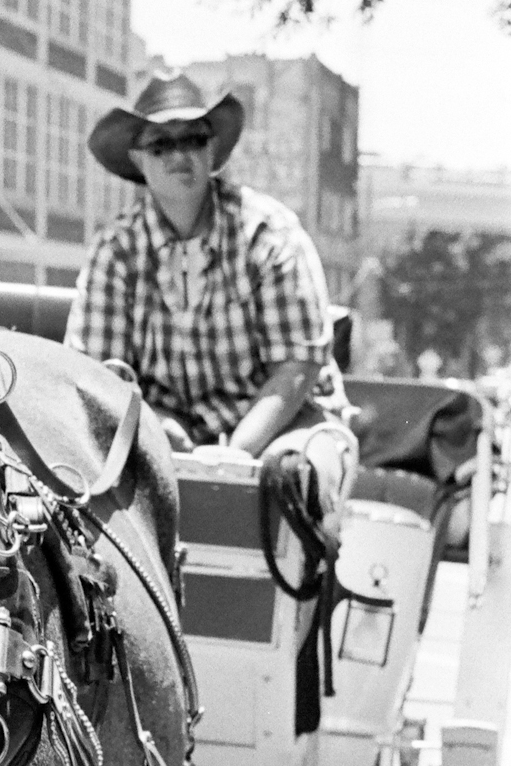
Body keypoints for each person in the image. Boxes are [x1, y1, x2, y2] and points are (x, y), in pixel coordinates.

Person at [66, 73, 355, 503]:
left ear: (212, 150)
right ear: (139, 160)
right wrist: (159, 426)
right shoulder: (116, 251)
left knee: (294, 476)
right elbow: (100, 375)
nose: (179, 155)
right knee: (85, 479)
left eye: (193, 139)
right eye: (161, 145)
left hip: (286, 422)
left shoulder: (267, 234)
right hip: (162, 428)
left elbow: (297, 370)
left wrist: (232, 457)